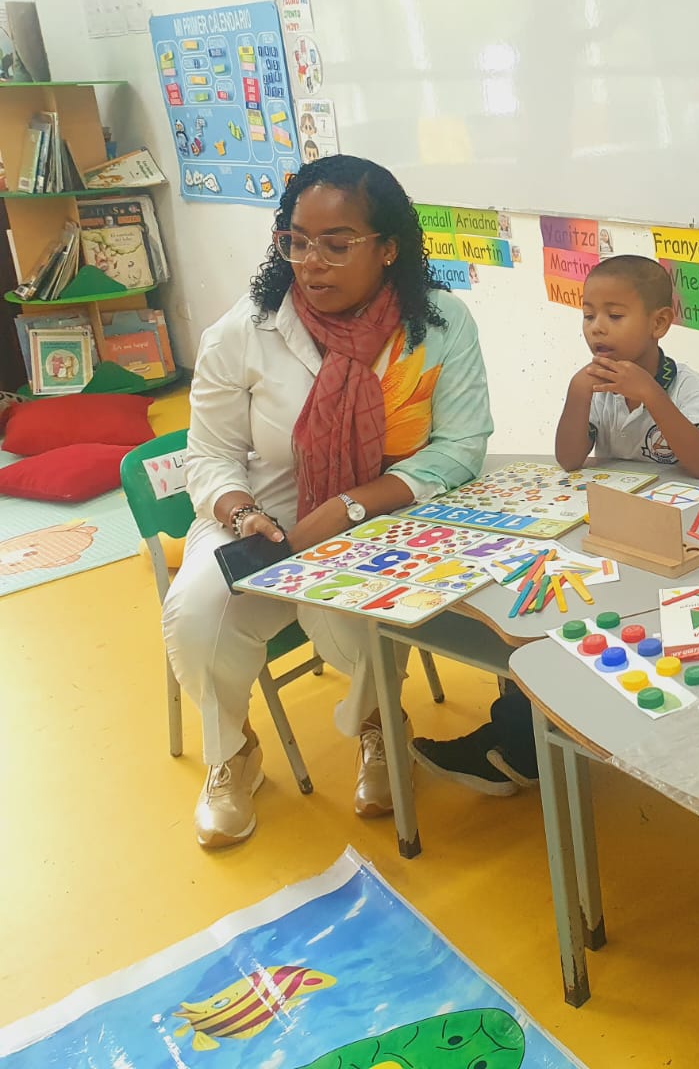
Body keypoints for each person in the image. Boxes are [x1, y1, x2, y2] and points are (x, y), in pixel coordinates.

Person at [163, 155, 493, 850]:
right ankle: (234, 754)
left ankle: (380, 726)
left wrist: (349, 508)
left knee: (357, 613)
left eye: (337, 243)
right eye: (296, 241)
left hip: (392, 502)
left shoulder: (439, 325)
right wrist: (241, 513)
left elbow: (459, 450)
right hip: (267, 503)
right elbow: (211, 454)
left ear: (389, 247)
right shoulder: (243, 331)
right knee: (198, 612)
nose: (312, 262)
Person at [411, 254, 699, 793]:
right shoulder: (595, 387)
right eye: (587, 314)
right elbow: (570, 460)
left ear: (658, 323)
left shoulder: (689, 388)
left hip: (683, 542)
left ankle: (529, 739)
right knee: (541, 601)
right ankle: (522, 736)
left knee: (598, 619)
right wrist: (578, 395)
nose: (597, 328)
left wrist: (651, 396)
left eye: (614, 315)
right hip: (612, 532)